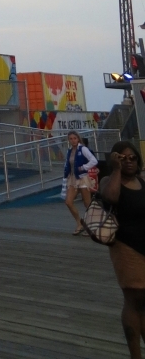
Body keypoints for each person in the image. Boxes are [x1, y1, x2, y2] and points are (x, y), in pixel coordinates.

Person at [101, 140, 145, 358]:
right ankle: (135, 354)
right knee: (134, 300)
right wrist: (116, 170)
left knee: (144, 302)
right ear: (114, 160)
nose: (129, 162)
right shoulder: (109, 181)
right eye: (123, 158)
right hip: (126, 249)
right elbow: (110, 198)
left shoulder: (142, 181)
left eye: (132, 157)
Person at [64, 130, 98, 234]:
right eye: (71, 139)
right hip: (73, 178)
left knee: (87, 202)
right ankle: (79, 223)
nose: (73, 140)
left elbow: (94, 160)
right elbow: (68, 164)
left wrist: (84, 167)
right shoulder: (69, 151)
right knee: (68, 202)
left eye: (75, 138)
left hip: (82, 177)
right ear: (68, 140)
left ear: (78, 139)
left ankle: (91, 225)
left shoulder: (83, 149)